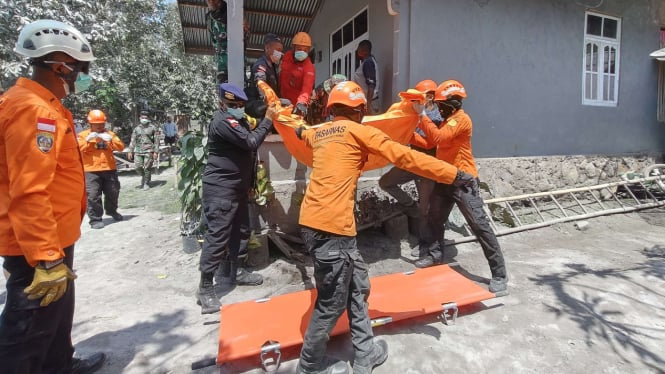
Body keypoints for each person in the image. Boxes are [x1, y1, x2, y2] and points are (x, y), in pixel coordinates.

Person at [294, 81, 476, 374]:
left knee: (357, 286)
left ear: (332, 110)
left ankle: (366, 353)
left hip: (321, 224)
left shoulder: (320, 134)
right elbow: (407, 157)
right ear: (360, 111)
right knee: (331, 302)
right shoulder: (360, 131)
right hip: (332, 229)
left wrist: (292, 122)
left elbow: (302, 132)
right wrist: (453, 174)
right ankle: (309, 366)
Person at [0, 19, 106, 373]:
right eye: (81, 69)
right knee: (26, 334)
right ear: (61, 66)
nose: (83, 76)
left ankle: (60, 363)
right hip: (37, 247)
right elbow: (29, 189)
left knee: (57, 317)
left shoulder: (46, 106)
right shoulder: (34, 111)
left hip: (55, 237)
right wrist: (46, 257)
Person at [413, 79, 509, 293]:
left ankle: (499, 274)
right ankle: (435, 255)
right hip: (445, 177)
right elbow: (431, 142)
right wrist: (408, 135)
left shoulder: (462, 120)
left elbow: (437, 135)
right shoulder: (448, 121)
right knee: (435, 218)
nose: (437, 107)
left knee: (479, 225)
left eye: (440, 104)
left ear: (453, 104)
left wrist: (421, 115)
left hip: (463, 181)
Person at [197, 83, 278, 314]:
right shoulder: (224, 122)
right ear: (223, 103)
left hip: (237, 187)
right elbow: (251, 142)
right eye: (233, 105)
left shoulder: (238, 120)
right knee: (218, 235)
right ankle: (205, 288)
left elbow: (249, 144)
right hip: (220, 188)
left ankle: (237, 271)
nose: (238, 109)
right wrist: (269, 119)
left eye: (240, 105)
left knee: (241, 230)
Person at [378, 79, 442, 257]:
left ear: (430, 97)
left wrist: (409, 136)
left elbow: (430, 144)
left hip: (427, 165)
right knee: (386, 182)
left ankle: (426, 244)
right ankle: (410, 206)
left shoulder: (436, 116)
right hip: (413, 160)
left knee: (426, 209)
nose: (418, 102)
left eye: (422, 98)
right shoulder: (415, 112)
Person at [78, 109, 125, 229]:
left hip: (109, 168)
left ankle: (112, 211)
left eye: (101, 124)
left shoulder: (110, 134)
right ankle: (95, 219)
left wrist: (110, 139)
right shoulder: (83, 135)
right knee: (93, 195)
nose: (99, 126)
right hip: (91, 170)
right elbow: (77, 149)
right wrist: (88, 140)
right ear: (90, 124)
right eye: (96, 124)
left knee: (113, 191)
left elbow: (120, 147)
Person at [246, 33, 284, 118]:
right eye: (278, 50)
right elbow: (261, 86)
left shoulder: (273, 65)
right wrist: (275, 102)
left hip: (270, 106)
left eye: (281, 51)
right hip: (260, 107)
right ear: (267, 48)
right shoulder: (261, 65)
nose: (280, 53)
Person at [279, 31, 315, 118]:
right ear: (293, 47)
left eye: (305, 50)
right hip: (280, 100)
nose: (302, 52)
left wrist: (302, 103)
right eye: (299, 49)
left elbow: (306, 89)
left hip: (295, 106)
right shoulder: (286, 57)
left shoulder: (309, 68)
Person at [128, 110, 159, 190]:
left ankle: (146, 183)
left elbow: (156, 141)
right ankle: (144, 177)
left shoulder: (153, 128)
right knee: (137, 167)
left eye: (145, 118)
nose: (144, 119)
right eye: (142, 117)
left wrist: (156, 152)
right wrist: (130, 150)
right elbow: (133, 140)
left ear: (148, 118)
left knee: (147, 167)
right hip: (138, 151)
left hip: (149, 150)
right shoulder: (136, 129)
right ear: (140, 118)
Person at [352, 40, 380, 114]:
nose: (357, 50)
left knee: (370, 125)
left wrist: (368, 106)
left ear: (364, 51)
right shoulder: (368, 61)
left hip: (370, 102)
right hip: (369, 101)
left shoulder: (368, 63)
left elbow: (371, 85)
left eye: (358, 48)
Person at [206, 0, 228, 83]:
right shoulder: (209, 18)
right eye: (208, 0)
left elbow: (245, 33)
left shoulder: (231, 11)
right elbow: (213, 39)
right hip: (221, 62)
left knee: (237, 90)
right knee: (222, 91)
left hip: (235, 58)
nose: (211, 2)